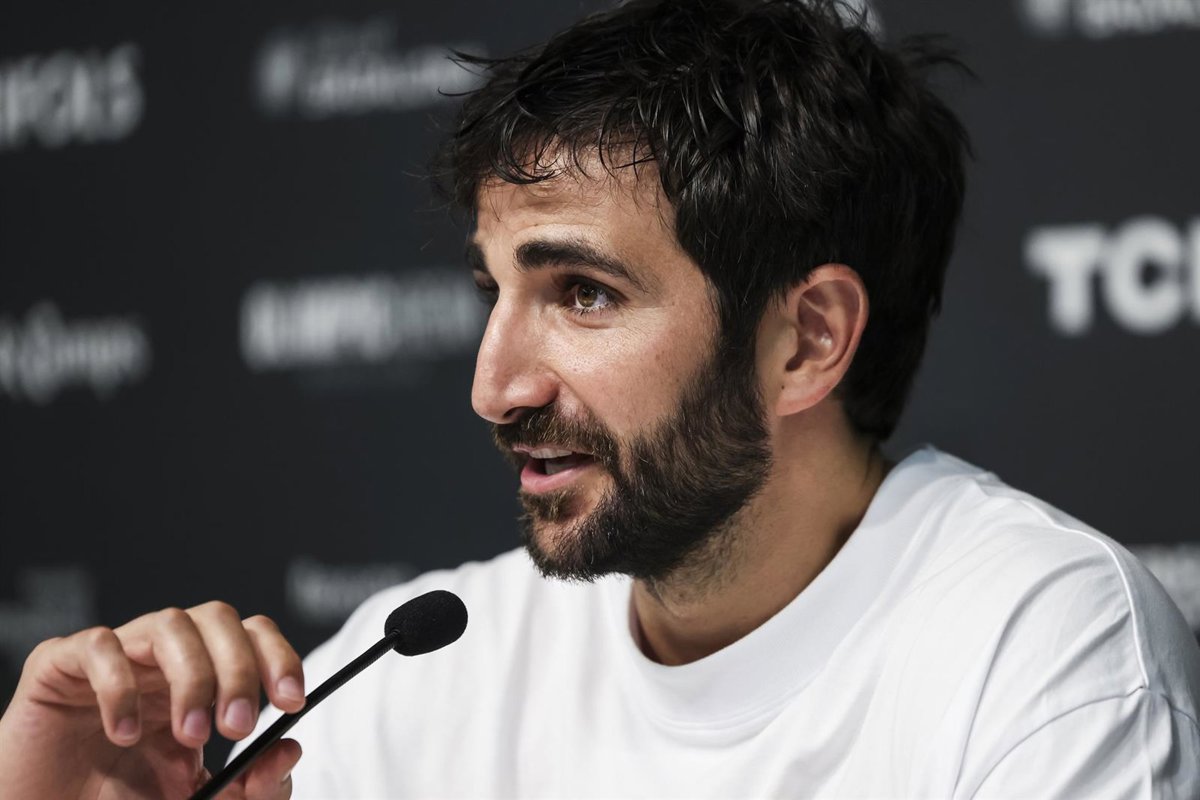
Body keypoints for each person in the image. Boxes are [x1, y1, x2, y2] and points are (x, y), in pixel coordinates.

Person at [2, 0, 1199, 797]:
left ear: (806, 339)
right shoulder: (418, 665)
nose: (493, 387)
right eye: (495, 290)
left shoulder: (1043, 644)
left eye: (582, 292)